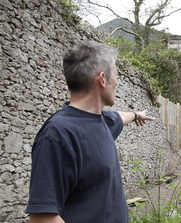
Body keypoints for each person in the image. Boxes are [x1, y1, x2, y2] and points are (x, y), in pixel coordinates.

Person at [25, 41, 155, 223]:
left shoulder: (103, 121)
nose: (116, 82)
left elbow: (119, 117)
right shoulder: (58, 134)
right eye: (115, 75)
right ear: (102, 79)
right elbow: (42, 218)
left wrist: (135, 115)